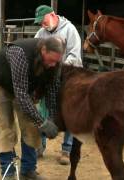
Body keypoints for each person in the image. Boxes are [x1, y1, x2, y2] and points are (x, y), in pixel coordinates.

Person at [0, 37, 65, 180]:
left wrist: (51, 118)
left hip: (24, 86)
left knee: (31, 126)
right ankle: (8, 172)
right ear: (43, 50)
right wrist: (42, 123)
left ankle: (28, 170)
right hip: (1, 82)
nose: (53, 65)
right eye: (51, 60)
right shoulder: (21, 54)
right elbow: (21, 95)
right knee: (4, 126)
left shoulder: (55, 63)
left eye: (57, 61)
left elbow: (52, 89)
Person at [34, 5, 83, 165]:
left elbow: (74, 55)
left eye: (44, 21)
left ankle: (66, 150)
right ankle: (39, 146)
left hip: (68, 79)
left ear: (53, 15)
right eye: (40, 23)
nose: (42, 25)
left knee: (69, 113)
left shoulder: (70, 30)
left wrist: (57, 68)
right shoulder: (41, 33)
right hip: (49, 79)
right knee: (42, 110)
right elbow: (35, 52)